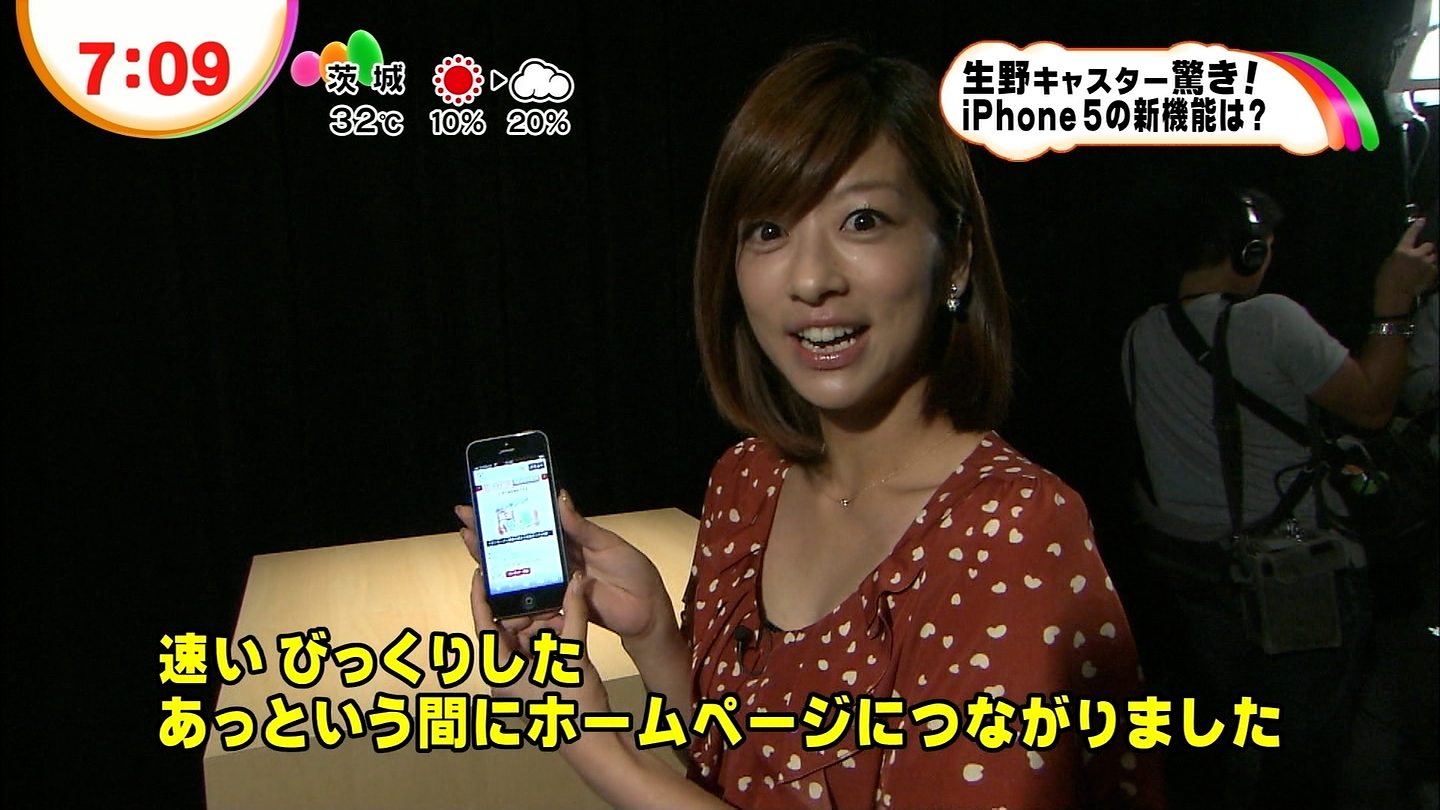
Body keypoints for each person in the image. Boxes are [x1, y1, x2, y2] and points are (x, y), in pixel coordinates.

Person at [459, 42, 1158, 809]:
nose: (811, 278)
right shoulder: (747, 479)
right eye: (768, 230)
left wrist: (599, 753)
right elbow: (740, 768)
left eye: (862, 220)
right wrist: (656, 633)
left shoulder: (1012, 529)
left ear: (956, 256)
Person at [1122, 185, 1438, 810]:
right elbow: (1373, 405)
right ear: (1246, 251)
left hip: (1195, 576)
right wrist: (1393, 302)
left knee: (1231, 740)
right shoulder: (1271, 319)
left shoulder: (1142, 333)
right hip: (1295, 577)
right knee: (1307, 750)